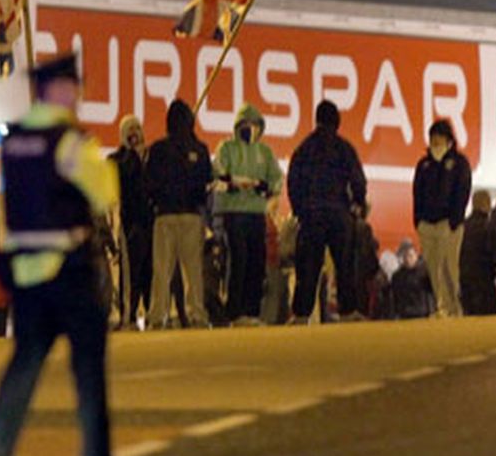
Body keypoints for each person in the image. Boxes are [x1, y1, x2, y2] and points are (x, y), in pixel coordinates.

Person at [0, 54, 119, 456]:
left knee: (25, 362)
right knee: (88, 370)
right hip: (68, 269)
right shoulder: (69, 141)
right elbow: (104, 194)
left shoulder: (13, 140)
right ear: (59, 90)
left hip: (25, 270)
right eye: (73, 88)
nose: (77, 96)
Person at [287, 100, 367, 323]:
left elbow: (293, 181)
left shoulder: (304, 148)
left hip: (312, 214)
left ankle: (301, 314)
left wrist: (299, 210)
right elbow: (357, 179)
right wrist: (358, 204)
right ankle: (348, 311)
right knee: (344, 266)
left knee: (308, 267)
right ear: (336, 121)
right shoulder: (343, 148)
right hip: (338, 213)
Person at [212, 103, 283, 325]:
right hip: (233, 214)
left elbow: (276, 179)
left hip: (256, 214)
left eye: (253, 125)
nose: (248, 128)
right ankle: (235, 312)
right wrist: (236, 183)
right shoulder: (226, 148)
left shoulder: (265, 152)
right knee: (238, 260)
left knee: (257, 262)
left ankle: (252, 312)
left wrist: (265, 187)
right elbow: (219, 175)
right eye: (244, 124)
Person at [144, 99, 212, 330]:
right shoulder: (200, 149)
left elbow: (149, 183)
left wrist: (156, 202)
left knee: (162, 270)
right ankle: (197, 315)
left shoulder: (158, 149)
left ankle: (157, 316)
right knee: (193, 271)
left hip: (164, 215)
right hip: (192, 215)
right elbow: (206, 180)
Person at [412, 119, 472, 318]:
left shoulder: (459, 163)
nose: (435, 143)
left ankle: (455, 308)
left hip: (449, 224)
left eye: (439, 139)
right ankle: (442, 307)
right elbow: (416, 193)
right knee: (433, 267)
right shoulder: (424, 164)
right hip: (427, 225)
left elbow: (462, 191)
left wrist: (455, 220)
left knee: (449, 267)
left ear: (449, 140)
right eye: (432, 139)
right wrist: (418, 220)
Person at [107, 114, 153, 328]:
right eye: (130, 129)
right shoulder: (117, 159)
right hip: (130, 224)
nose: (135, 132)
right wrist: (133, 156)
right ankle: (129, 315)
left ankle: (152, 312)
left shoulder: (151, 157)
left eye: (138, 128)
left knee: (149, 272)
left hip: (151, 222)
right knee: (130, 272)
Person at [459, 190, 496, 315]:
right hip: (484, 281)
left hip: (465, 280)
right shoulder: (488, 226)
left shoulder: (462, 227)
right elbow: (494, 252)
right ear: (486, 204)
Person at [391, 240, 435, 319]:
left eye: (410, 256)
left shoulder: (425, 273)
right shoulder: (397, 277)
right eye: (405, 256)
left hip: (422, 314)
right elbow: (395, 297)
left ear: (416, 255)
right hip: (404, 315)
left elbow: (432, 293)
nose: (408, 259)